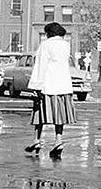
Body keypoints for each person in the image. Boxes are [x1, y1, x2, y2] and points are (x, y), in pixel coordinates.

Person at [25, 21, 76, 156]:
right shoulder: (66, 45)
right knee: (59, 115)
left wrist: (36, 85)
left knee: (39, 113)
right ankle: (58, 141)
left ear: (49, 33)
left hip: (48, 85)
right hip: (63, 85)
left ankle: (37, 139)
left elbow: (41, 65)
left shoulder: (46, 45)